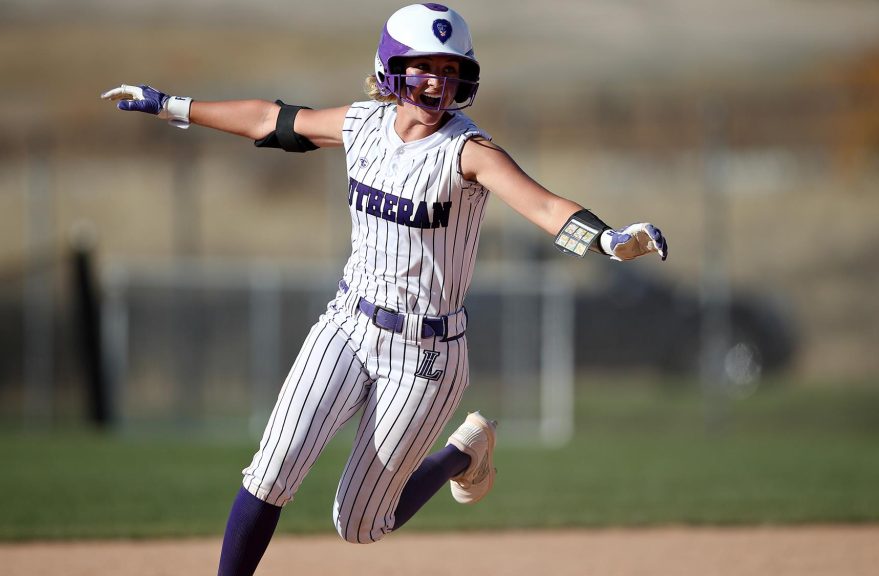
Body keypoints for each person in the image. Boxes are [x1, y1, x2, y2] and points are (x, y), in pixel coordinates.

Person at [102, 4, 667, 574]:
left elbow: (543, 205)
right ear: (392, 67)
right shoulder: (362, 123)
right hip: (348, 323)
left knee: (359, 524)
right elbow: (270, 119)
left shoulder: (467, 150)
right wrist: (173, 105)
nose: (438, 82)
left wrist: (608, 239)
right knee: (271, 471)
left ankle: (462, 454)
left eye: (450, 69)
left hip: (427, 354)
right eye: (424, 67)